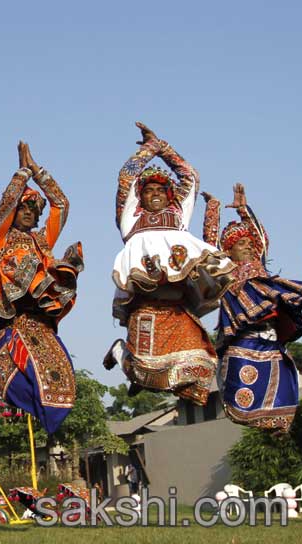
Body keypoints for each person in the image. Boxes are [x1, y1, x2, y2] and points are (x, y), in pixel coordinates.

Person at [103, 122, 234, 406]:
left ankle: (175, 393)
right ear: (141, 197)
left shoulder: (179, 218)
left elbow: (190, 176)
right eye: (148, 191)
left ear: (170, 196)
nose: (155, 195)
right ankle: (119, 352)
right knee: (144, 371)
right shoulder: (131, 221)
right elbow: (126, 176)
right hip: (147, 308)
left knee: (201, 367)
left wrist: (162, 146)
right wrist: (149, 150)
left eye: (161, 191)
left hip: (177, 311)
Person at [0, 142, 83, 435]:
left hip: (42, 322)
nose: (28, 212)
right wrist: (22, 173)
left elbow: (61, 205)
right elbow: (4, 206)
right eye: (23, 207)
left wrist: (38, 171)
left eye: (32, 209)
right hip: (14, 318)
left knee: (62, 384)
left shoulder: (42, 241)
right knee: (14, 374)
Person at [203, 184, 302, 431]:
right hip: (243, 338)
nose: (248, 246)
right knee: (241, 383)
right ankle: (252, 417)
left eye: (248, 243)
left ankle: (277, 423)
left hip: (271, 337)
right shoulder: (226, 271)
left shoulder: (259, 266)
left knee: (282, 380)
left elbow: (261, 238)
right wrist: (212, 209)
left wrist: (244, 209)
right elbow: (209, 250)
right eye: (241, 243)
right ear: (229, 250)